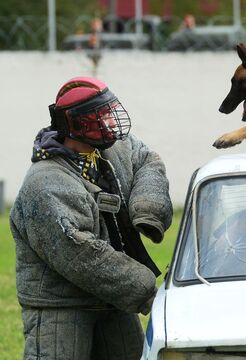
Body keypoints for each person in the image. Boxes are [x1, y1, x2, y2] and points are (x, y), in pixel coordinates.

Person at [9, 76, 173, 359]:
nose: (111, 122)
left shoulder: (113, 149)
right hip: (61, 308)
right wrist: (144, 287)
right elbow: (80, 253)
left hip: (112, 303)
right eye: (102, 116)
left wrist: (148, 209)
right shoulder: (45, 182)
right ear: (78, 125)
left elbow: (147, 160)